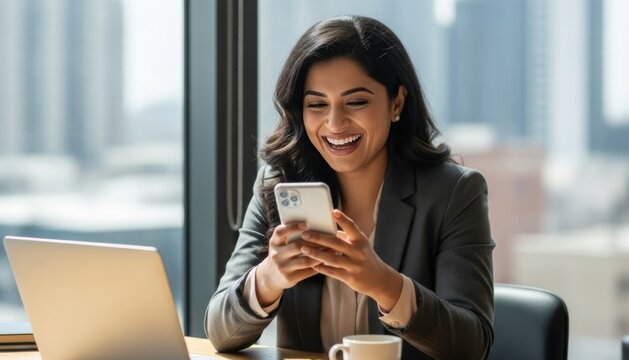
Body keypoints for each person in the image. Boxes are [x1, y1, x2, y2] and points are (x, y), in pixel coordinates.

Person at [205, 15, 494, 360]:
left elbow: (471, 345)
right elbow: (220, 332)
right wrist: (268, 278)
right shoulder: (278, 184)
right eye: (317, 104)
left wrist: (384, 284)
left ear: (396, 103)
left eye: (356, 102)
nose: (335, 123)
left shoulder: (454, 193)